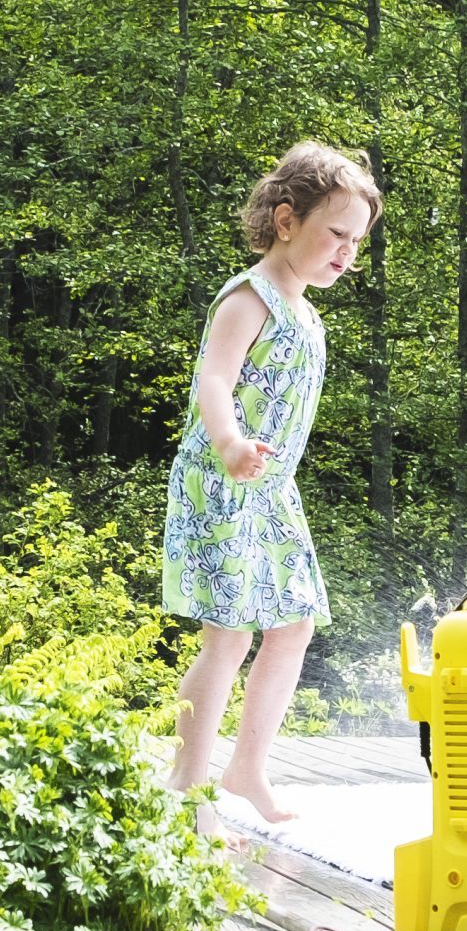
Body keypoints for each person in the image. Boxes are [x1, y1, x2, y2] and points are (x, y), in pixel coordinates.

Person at [162, 141, 382, 825]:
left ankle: (246, 769)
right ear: (286, 221)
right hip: (222, 480)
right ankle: (185, 786)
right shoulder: (249, 297)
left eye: (357, 241)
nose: (347, 251)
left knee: (292, 625)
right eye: (336, 233)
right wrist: (230, 443)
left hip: (271, 489)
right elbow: (214, 378)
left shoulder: (306, 311)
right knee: (228, 637)